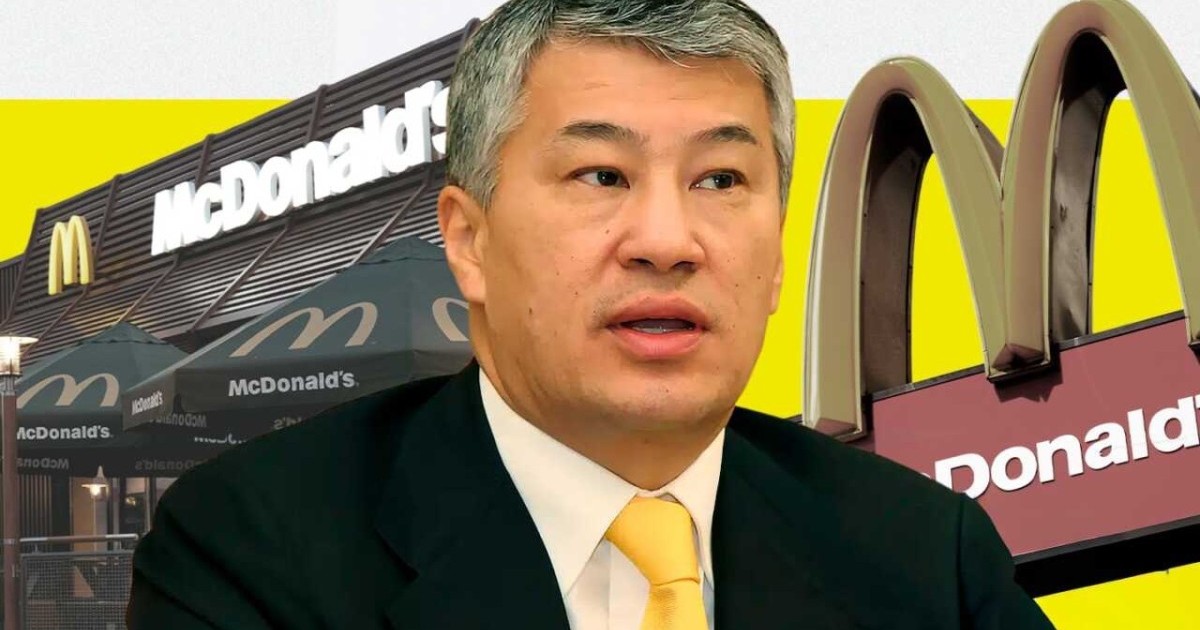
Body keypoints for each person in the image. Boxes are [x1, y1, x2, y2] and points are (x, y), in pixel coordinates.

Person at [126, 1, 1055, 628]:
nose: (668, 241)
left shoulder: (925, 556)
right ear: (469, 240)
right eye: (602, 175)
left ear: (778, 252)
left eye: (720, 180)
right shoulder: (254, 549)